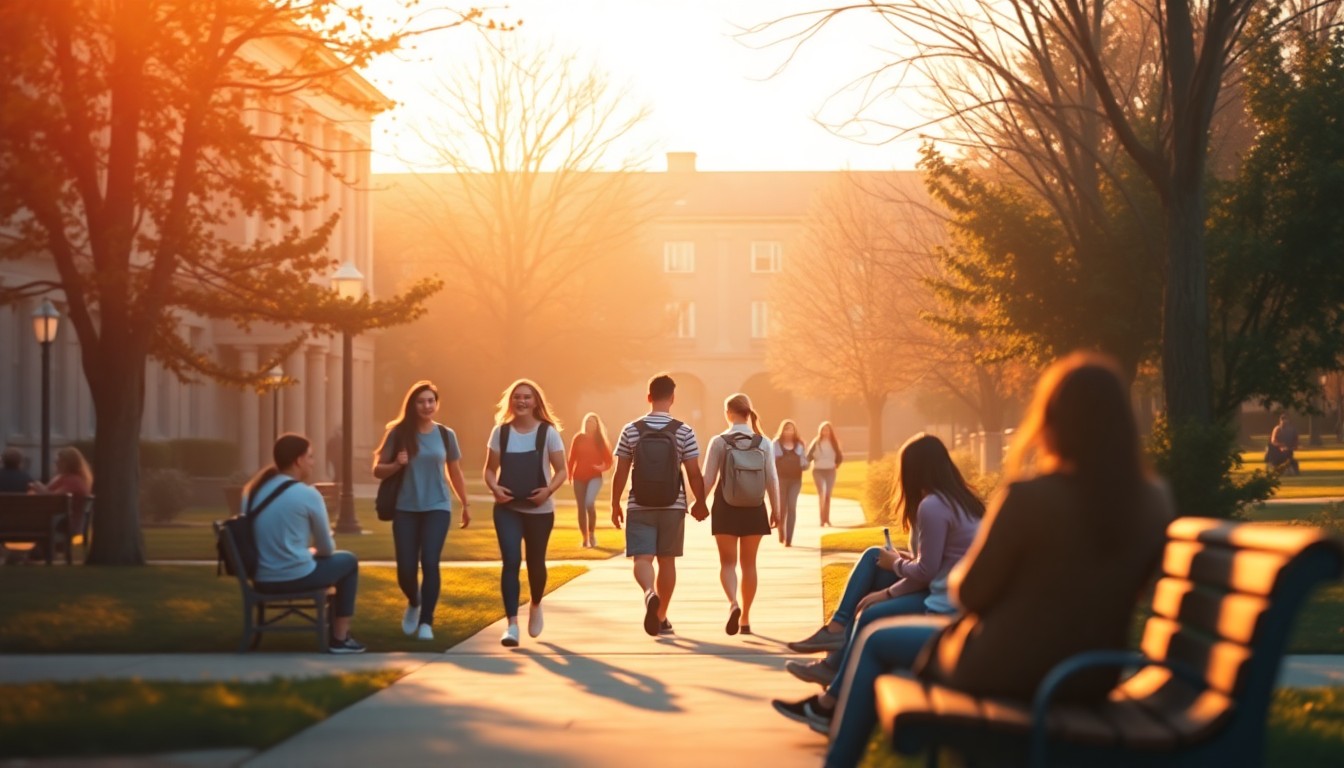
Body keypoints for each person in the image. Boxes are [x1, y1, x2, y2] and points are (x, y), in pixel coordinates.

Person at [802, 352, 1173, 768]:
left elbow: (972, 592)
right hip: (1091, 674)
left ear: (1051, 422)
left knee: (875, 637)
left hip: (1006, 665)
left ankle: (838, 755)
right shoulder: (1153, 501)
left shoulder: (1030, 496)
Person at [774, 433, 984, 721]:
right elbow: (941, 562)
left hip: (943, 601)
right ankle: (836, 635)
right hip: (941, 588)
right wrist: (901, 562)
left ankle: (830, 700)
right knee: (875, 555)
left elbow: (928, 572)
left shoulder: (933, 506)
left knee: (871, 612)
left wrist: (887, 587)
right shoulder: (962, 501)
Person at [373, 381, 471, 642]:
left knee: (430, 562)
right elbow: (377, 470)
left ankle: (427, 621)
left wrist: (465, 503)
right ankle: (414, 602)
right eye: (421, 401)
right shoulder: (398, 433)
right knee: (405, 568)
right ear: (412, 405)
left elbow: (455, 472)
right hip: (405, 508)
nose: (427, 406)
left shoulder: (446, 434)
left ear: (436, 404)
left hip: (437, 507)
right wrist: (396, 463)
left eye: (431, 401)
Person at [611, 373, 709, 637]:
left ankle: (648, 592)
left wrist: (614, 504)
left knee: (642, 557)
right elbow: (694, 473)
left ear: (648, 397)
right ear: (673, 399)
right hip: (672, 505)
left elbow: (620, 471)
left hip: (639, 504)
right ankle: (662, 616)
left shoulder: (630, 429)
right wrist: (700, 502)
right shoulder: (684, 431)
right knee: (667, 561)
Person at [249, 433, 364, 653]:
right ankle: (340, 638)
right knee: (348, 561)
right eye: (310, 457)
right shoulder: (307, 494)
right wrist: (308, 551)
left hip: (262, 578)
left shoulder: (253, 492)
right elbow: (327, 549)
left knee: (336, 561)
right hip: (296, 577)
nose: (313, 462)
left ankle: (339, 636)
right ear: (298, 461)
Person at [484, 379, 567, 647]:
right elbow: (488, 470)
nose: (521, 401)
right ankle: (511, 625)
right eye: (517, 397)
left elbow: (562, 470)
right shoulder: (501, 432)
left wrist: (548, 491)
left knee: (535, 563)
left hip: (540, 510)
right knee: (510, 561)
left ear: (536, 402)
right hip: (507, 508)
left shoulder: (548, 433)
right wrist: (495, 489)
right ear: (511, 401)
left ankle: (535, 603)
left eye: (527, 397)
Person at [702, 394, 781, 635]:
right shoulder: (763, 442)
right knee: (749, 565)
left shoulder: (719, 441)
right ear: (749, 412)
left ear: (728, 413)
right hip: (755, 508)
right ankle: (745, 618)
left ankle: (733, 604)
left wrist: (697, 505)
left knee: (728, 563)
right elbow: (772, 478)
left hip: (725, 507)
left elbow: (709, 479)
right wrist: (776, 509)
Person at [28, 446, 94, 560]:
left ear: (68, 463)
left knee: (30, 520)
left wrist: (39, 488)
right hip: (60, 520)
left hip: (64, 522)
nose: (56, 463)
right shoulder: (67, 479)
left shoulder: (73, 481)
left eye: (59, 461)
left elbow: (55, 499)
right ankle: (38, 552)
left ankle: (33, 553)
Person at [567, 412, 612, 549]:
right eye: (587, 422)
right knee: (581, 507)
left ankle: (592, 533)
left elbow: (609, 460)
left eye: (592, 423)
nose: (589, 425)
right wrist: (569, 474)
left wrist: (603, 466)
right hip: (578, 477)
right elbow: (572, 458)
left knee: (589, 502)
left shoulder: (600, 440)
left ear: (596, 426)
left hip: (595, 477)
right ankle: (585, 539)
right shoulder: (578, 438)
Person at [772, 420, 808, 546]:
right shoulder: (776, 444)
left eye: (791, 429)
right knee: (782, 508)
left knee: (791, 507)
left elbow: (804, 463)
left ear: (795, 431)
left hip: (795, 480)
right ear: (782, 430)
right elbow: (771, 462)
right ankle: (781, 531)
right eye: (786, 429)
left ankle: (789, 539)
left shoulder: (799, 445)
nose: (789, 431)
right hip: (781, 480)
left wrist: (805, 462)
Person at [808, 422, 843, 526]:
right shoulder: (816, 442)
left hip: (830, 471)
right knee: (822, 494)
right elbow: (809, 456)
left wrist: (836, 464)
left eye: (827, 430)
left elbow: (839, 456)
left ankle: (827, 519)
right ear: (821, 431)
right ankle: (822, 519)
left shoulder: (834, 442)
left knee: (828, 495)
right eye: (824, 430)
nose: (825, 432)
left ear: (830, 431)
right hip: (818, 471)